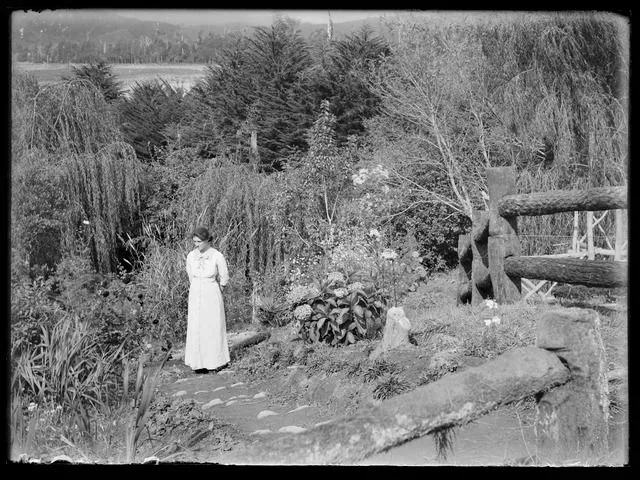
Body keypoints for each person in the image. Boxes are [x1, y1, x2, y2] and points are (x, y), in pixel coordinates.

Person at [185, 226, 230, 373]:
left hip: (211, 291)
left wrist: (217, 288)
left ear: (207, 241)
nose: (196, 245)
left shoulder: (217, 256)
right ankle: (198, 363)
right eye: (194, 242)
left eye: (199, 242)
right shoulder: (191, 256)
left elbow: (224, 276)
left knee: (212, 325)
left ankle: (216, 361)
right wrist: (197, 288)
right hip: (196, 291)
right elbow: (190, 274)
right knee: (197, 326)